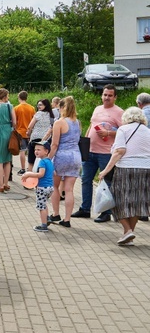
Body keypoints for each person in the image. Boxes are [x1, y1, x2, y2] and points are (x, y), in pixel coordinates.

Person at [98, 107, 150, 245]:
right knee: (136, 202)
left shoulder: (123, 129)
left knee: (116, 200)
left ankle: (128, 230)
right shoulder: (148, 131)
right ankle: (128, 235)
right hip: (146, 169)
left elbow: (119, 151)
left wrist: (105, 170)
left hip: (126, 168)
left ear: (126, 117)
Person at [72, 85, 124, 223]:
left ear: (115, 97)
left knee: (106, 182)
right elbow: (91, 125)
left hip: (107, 153)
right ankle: (85, 209)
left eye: (110, 95)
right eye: (105, 94)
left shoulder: (119, 112)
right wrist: (86, 140)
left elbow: (124, 131)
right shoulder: (97, 109)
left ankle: (106, 212)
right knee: (85, 180)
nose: (106, 97)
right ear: (101, 95)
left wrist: (108, 133)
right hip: (90, 151)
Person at [47, 97, 81, 228]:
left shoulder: (59, 122)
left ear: (61, 108)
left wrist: (47, 159)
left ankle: (56, 213)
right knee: (69, 190)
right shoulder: (77, 122)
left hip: (61, 156)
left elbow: (54, 144)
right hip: (75, 156)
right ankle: (67, 219)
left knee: (55, 186)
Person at [23, 142, 55, 232]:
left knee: (41, 207)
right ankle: (47, 218)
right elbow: (54, 173)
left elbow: (41, 174)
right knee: (44, 204)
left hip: (42, 187)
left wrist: (29, 174)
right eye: (35, 150)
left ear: (46, 151)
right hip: (50, 187)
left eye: (39, 150)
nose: (36, 151)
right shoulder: (49, 161)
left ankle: (43, 225)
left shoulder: (42, 162)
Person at [25, 99, 54, 172]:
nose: (38, 106)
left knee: (31, 160)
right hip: (45, 140)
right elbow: (52, 127)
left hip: (35, 138)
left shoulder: (38, 114)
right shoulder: (51, 115)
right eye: (38, 105)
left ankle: (30, 179)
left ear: (45, 105)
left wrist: (28, 133)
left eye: (40, 105)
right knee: (43, 160)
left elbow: (30, 126)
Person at [14, 91, 35, 175]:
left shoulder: (16, 108)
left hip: (20, 132)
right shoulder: (32, 108)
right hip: (30, 132)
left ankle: (22, 168)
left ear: (19, 98)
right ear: (27, 97)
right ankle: (31, 167)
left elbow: (15, 121)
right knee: (30, 151)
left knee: (22, 151)